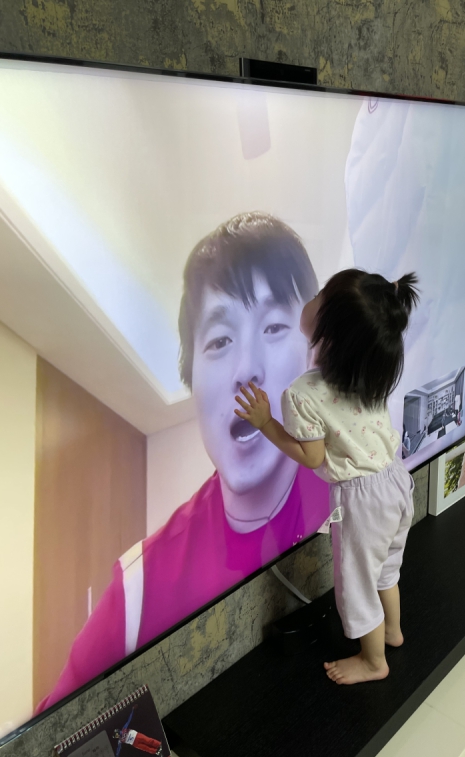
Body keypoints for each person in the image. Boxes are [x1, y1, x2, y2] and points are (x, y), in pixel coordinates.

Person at [37, 212, 330, 712]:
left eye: (275, 326)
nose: (246, 369)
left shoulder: (360, 482)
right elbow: (50, 743)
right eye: (219, 341)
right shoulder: (138, 590)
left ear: (314, 358)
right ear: (192, 378)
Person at [235, 268, 418, 685]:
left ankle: (373, 661)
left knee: (357, 585)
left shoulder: (303, 393)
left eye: (319, 296)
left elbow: (311, 455)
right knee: (386, 570)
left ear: (329, 334)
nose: (310, 297)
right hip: (395, 481)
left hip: (362, 502)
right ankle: (392, 631)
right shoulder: (369, 376)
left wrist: (266, 423)